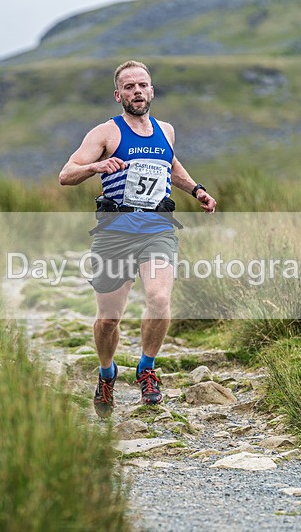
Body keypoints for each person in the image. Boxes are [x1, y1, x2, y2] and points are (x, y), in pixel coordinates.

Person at [59, 60, 217, 418]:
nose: (137, 91)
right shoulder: (105, 133)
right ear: (119, 95)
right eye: (129, 87)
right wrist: (95, 167)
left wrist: (197, 190)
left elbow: (170, 166)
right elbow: (66, 175)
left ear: (152, 90)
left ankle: (147, 369)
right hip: (114, 232)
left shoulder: (166, 131)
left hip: (157, 228)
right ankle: (106, 373)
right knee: (108, 319)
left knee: (159, 298)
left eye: (142, 85)